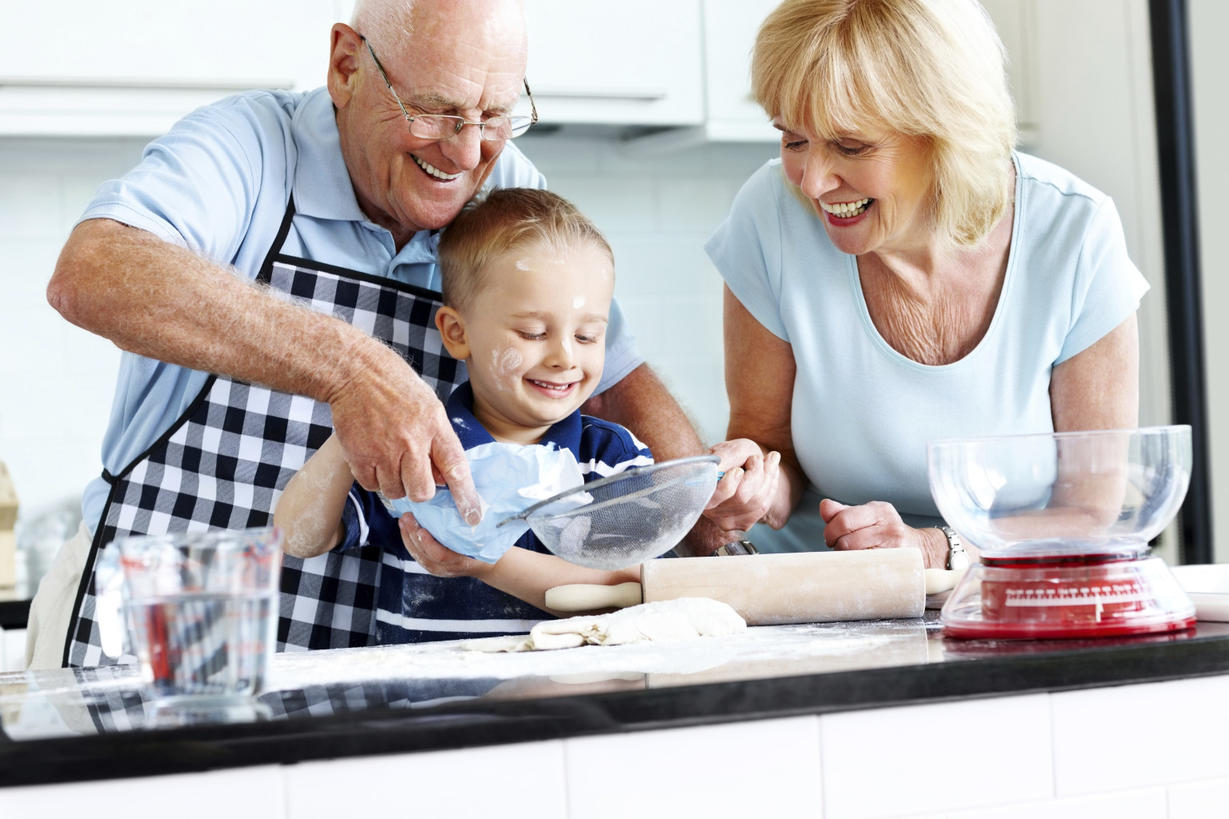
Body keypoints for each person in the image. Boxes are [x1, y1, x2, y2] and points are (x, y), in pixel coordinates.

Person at [28, 0, 705, 669]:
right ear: (347, 66)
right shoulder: (249, 147)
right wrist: (352, 368)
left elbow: (607, 377)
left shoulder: (500, 187)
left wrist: (705, 514)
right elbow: (93, 274)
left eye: (495, 115)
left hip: (366, 659)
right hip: (176, 618)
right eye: (434, 109)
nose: (466, 151)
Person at [700, 0, 1146, 568]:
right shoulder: (769, 216)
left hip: (1016, 589)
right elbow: (773, 449)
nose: (812, 181)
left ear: (946, 133)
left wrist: (935, 550)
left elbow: (1092, 508)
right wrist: (751, 486)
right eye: (793, 140)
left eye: (851, 145)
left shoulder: (1075, 233)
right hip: (821, 595)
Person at [275, 188, 652, 643]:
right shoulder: (416, 453)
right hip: (428, 710)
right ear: (457, 333)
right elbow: (297, 537)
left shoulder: (611, 460)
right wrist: (355, 418)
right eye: (533, 332)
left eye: (588, 335)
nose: (564, 357)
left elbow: (636, 593)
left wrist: (487, 563)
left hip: (568, 708)